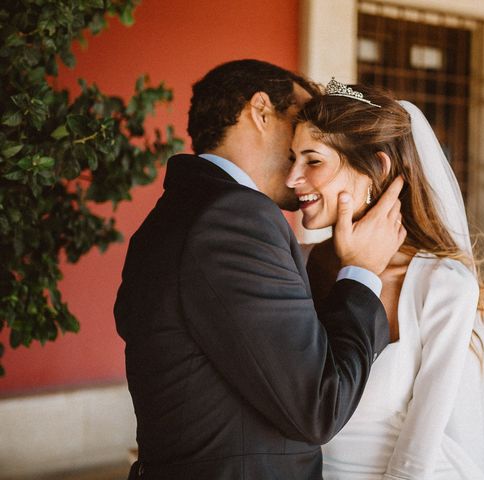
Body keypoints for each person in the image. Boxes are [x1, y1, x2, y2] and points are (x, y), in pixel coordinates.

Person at [114, 61, 407, 480]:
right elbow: (318, 408)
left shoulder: (175, 215)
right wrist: (362, 273)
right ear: (261, 110)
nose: (298, 162)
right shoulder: (233, 217)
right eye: (299, 124)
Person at [287, 79, 484, 479]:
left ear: (378, 167)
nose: (292, 179)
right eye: (291, 159)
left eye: (313, 161)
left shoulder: (443, 286)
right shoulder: (296, 264)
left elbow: (419, 451)